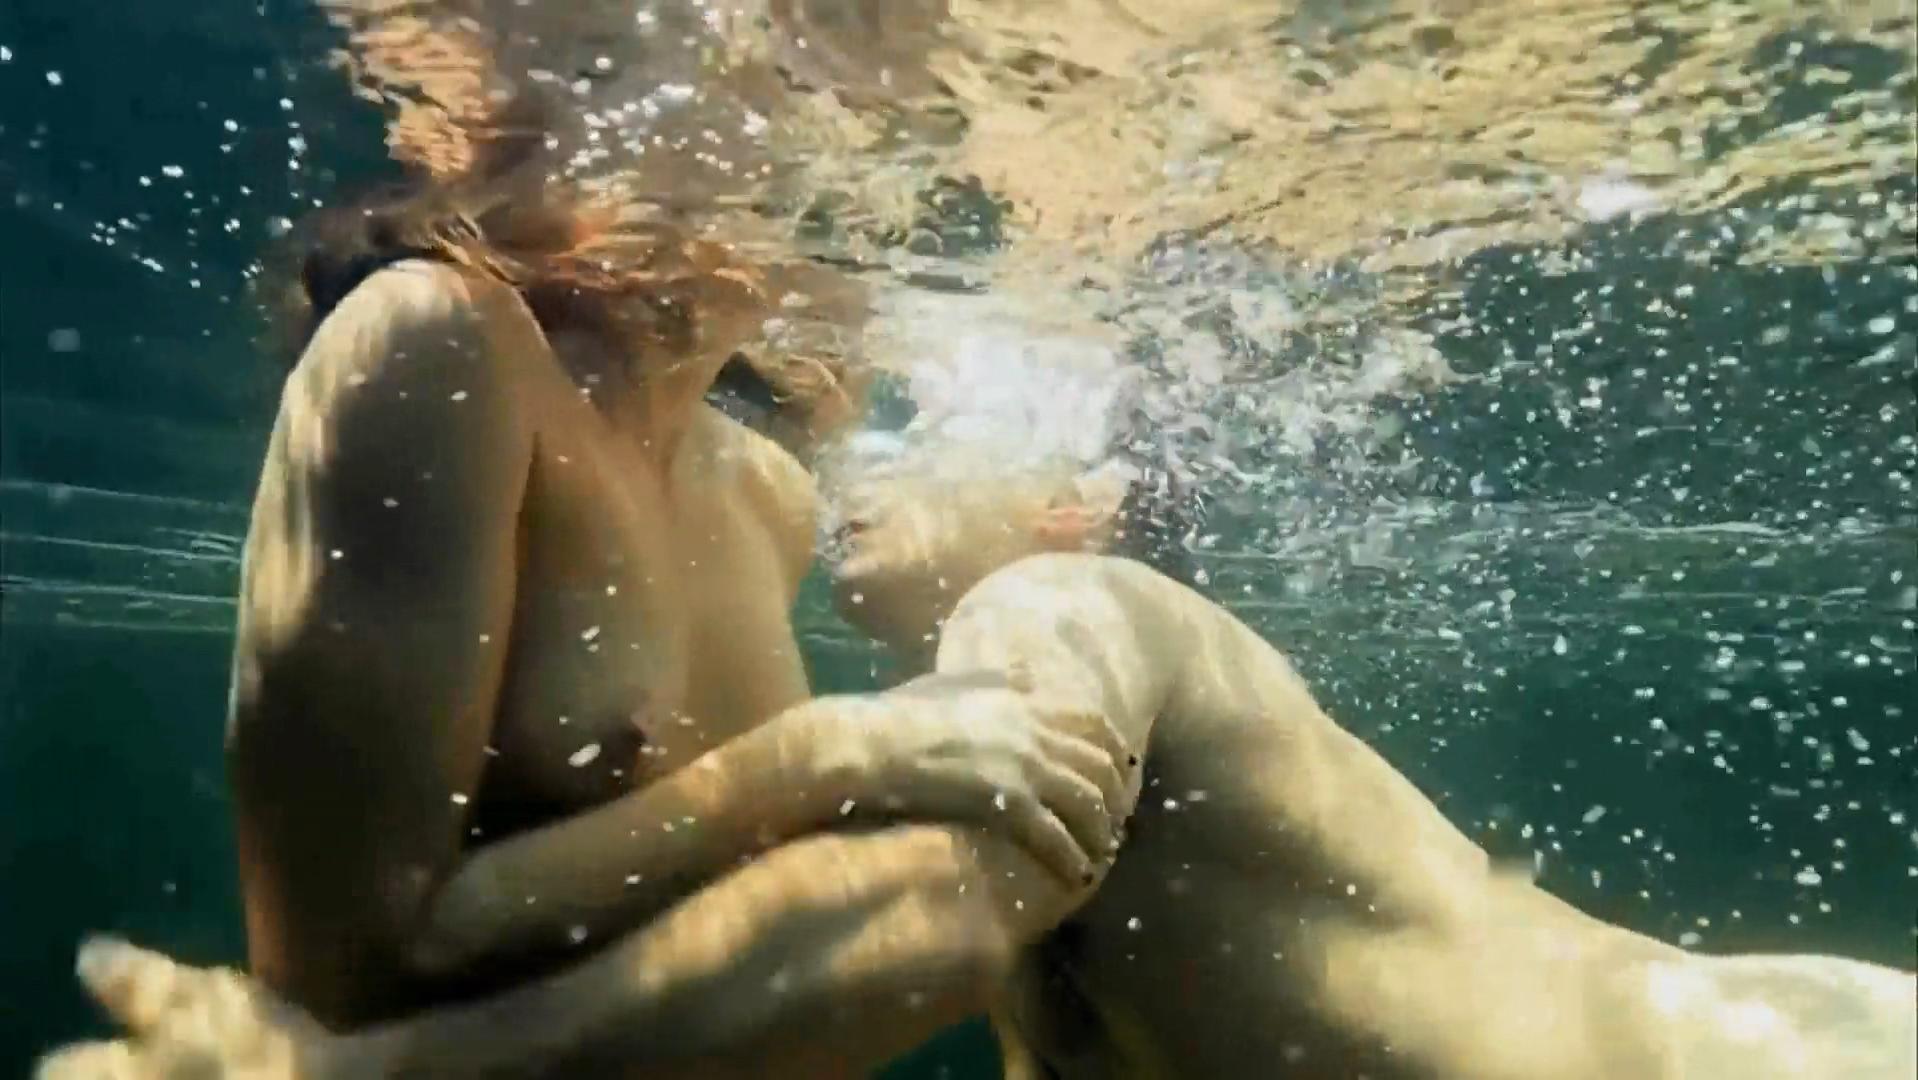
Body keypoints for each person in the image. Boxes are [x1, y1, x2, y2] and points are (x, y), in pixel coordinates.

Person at [42, 449, 1918, 1079]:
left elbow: (907, 937)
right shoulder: (979, 733)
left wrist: (348, 1078)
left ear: (1075, 494)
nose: (862, 457)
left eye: (939, 422)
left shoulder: (1064, 609)